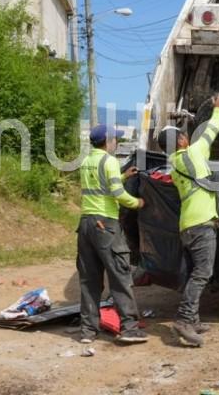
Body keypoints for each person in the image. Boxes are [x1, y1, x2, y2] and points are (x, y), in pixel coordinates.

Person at [157, 92, 219, 347]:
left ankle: (194, 318)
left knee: (192, 273)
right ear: (180, 141)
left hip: (187, 225)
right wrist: (218, 109)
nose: (186, 136)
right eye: (182, 134)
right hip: (201, 225)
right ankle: (185, 320)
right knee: (202, 273)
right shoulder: (194, 154)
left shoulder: (174, 163)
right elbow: (211, 130)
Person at [77, 124, 147, 344]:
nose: (116, 142)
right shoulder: (109, 161)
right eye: (114, 139)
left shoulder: (87, 161)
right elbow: (117, 194)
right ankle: (129, 328)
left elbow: (101, 187)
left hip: (86, 224)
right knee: (119, 275)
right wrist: (137, 203)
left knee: (90, 279)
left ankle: (88, 331)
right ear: (106, 141)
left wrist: (123, 176)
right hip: (105, 224)